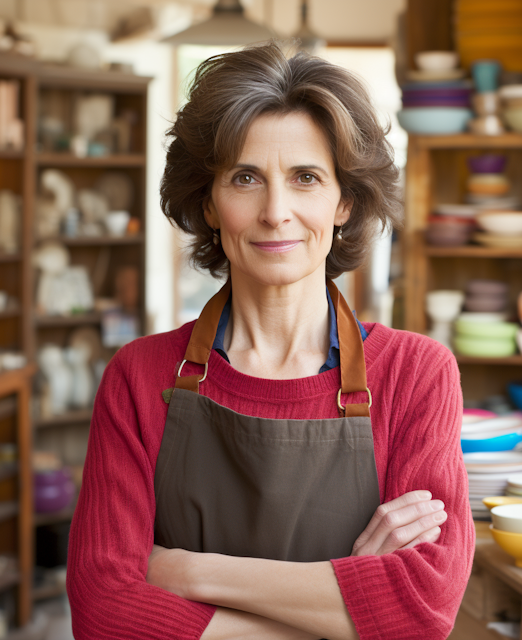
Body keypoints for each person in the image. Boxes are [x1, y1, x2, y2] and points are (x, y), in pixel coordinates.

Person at [67, 41, 474, 640]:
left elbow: (423, 612)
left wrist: (183, 572)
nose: (275, 211)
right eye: (245, 178)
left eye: (306, 178)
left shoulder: (417, 373)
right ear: (209, 203)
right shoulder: (139, 375)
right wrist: (347, 611)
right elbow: (104, 614)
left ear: (345, 202)